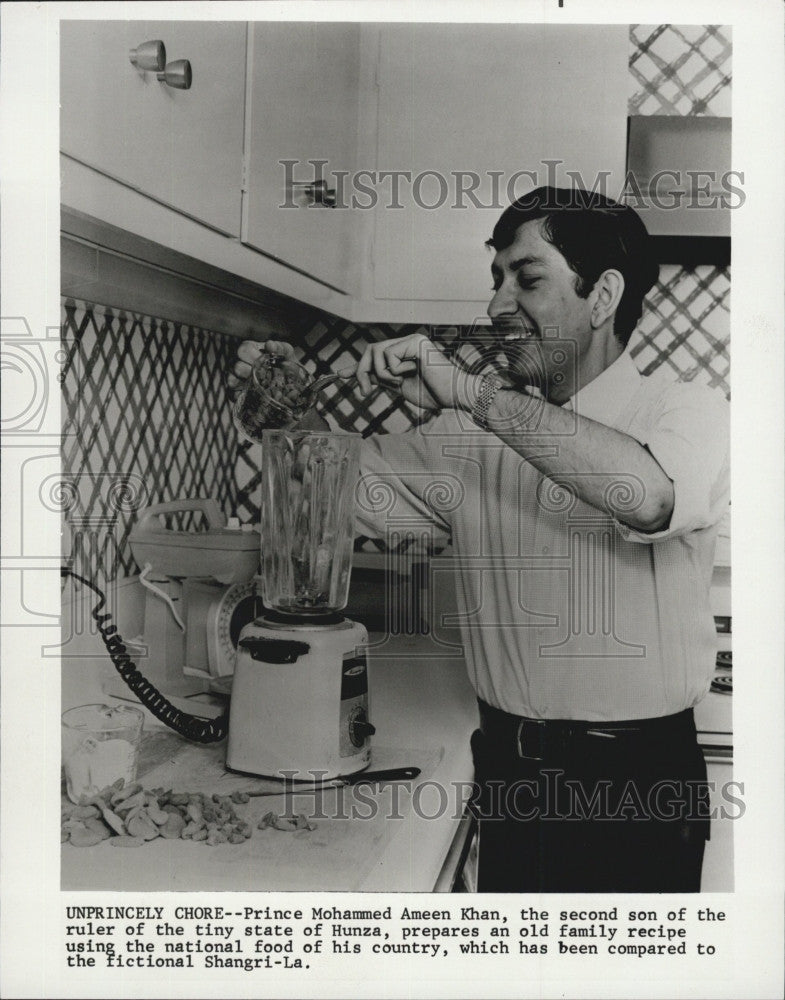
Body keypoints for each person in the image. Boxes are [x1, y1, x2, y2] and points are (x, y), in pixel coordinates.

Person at [230, 187, 730, 892]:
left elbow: (646, 496)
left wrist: (470, 393)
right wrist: (289, 408)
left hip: (633, 786)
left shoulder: (689, 410)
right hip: (507, 772)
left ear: (603, 295)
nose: (497, 305)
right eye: (495, 280)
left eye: (526, 278)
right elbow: (329, 496)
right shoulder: (466, 441)